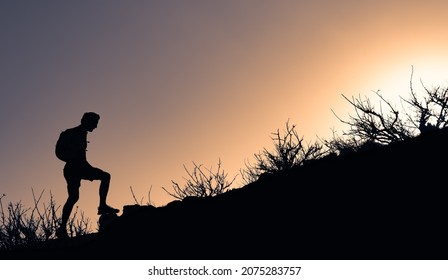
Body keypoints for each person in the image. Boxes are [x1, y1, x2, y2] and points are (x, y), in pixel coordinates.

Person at [55, 112, 119, 239]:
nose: (95, 127)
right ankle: (62, 228)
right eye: (94, 123)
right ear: (86, 121)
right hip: (72, 169)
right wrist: (72, 159)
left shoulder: (83, 134)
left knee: (105, 176)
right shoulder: (70, 133)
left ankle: (102, 205)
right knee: (73, 197)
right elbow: (58, 152)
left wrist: (86, 166)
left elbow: (81, 157)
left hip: (82, 167)